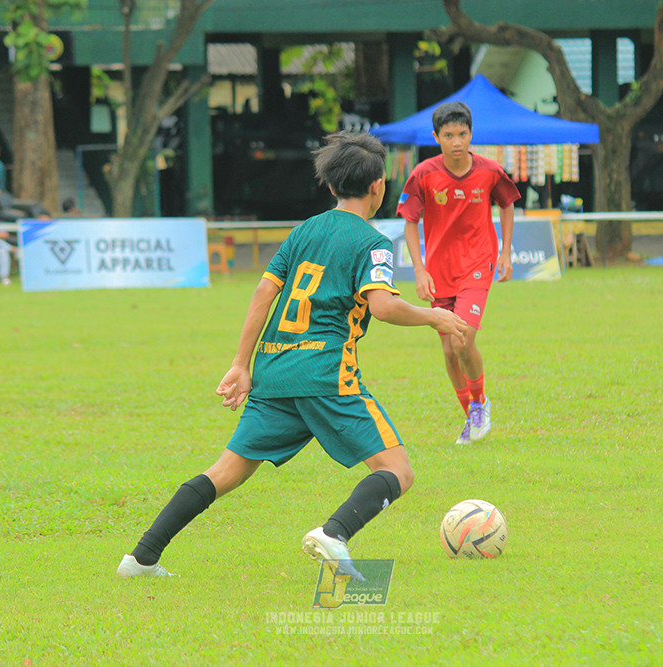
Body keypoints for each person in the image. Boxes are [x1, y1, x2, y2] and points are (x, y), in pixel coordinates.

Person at [117, 131, 468, 579]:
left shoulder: (303, 231)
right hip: (325, 374)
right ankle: (333, 533)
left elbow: (264, 293)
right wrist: (434, 316)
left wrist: (241, 365)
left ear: (331, 185)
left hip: (275, 369)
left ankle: (141, 557)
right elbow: (382, 307)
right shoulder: (373, 242)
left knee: (228, 471)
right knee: (397, 469)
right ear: (379, 185)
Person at [396, 101, 521, 445]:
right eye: (448, 135)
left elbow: (507, 203)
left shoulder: (490, 171)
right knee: (449, 352)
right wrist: (419, 271)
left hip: (477, 267)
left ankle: (480, 403)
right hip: (439, 273)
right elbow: (409, 221)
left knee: (461, 339)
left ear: (471, 134)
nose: (456, 141)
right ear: (436, 137)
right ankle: (470, 414)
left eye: (462, 134)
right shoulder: (423, 174)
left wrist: (505, 253)